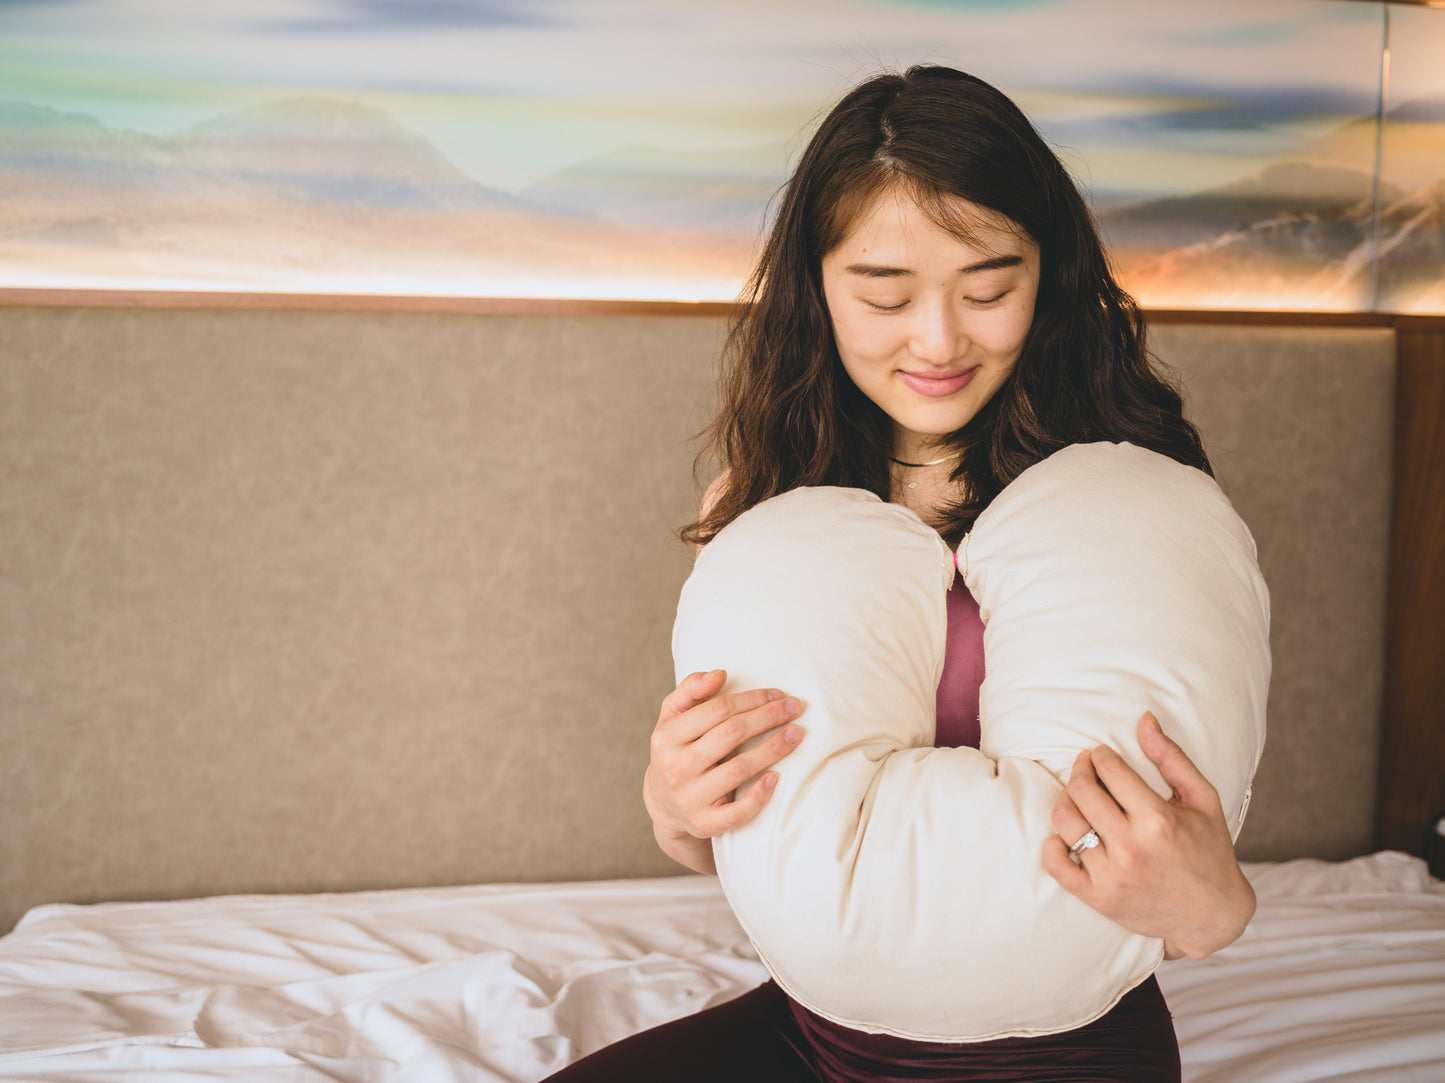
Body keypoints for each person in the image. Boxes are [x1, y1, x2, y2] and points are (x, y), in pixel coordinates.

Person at [548, 64, 1257, 1081]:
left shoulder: (1129, 504)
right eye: (882, 293)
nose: (936, 340)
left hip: (1055, 1045)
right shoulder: (762, 498)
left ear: (1046, 277)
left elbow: (1185, 856)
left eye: (987, 289)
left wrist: (1216, 910)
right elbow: (761, 834)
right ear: (816, 285)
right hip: (815, 1023)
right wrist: (675, 802)